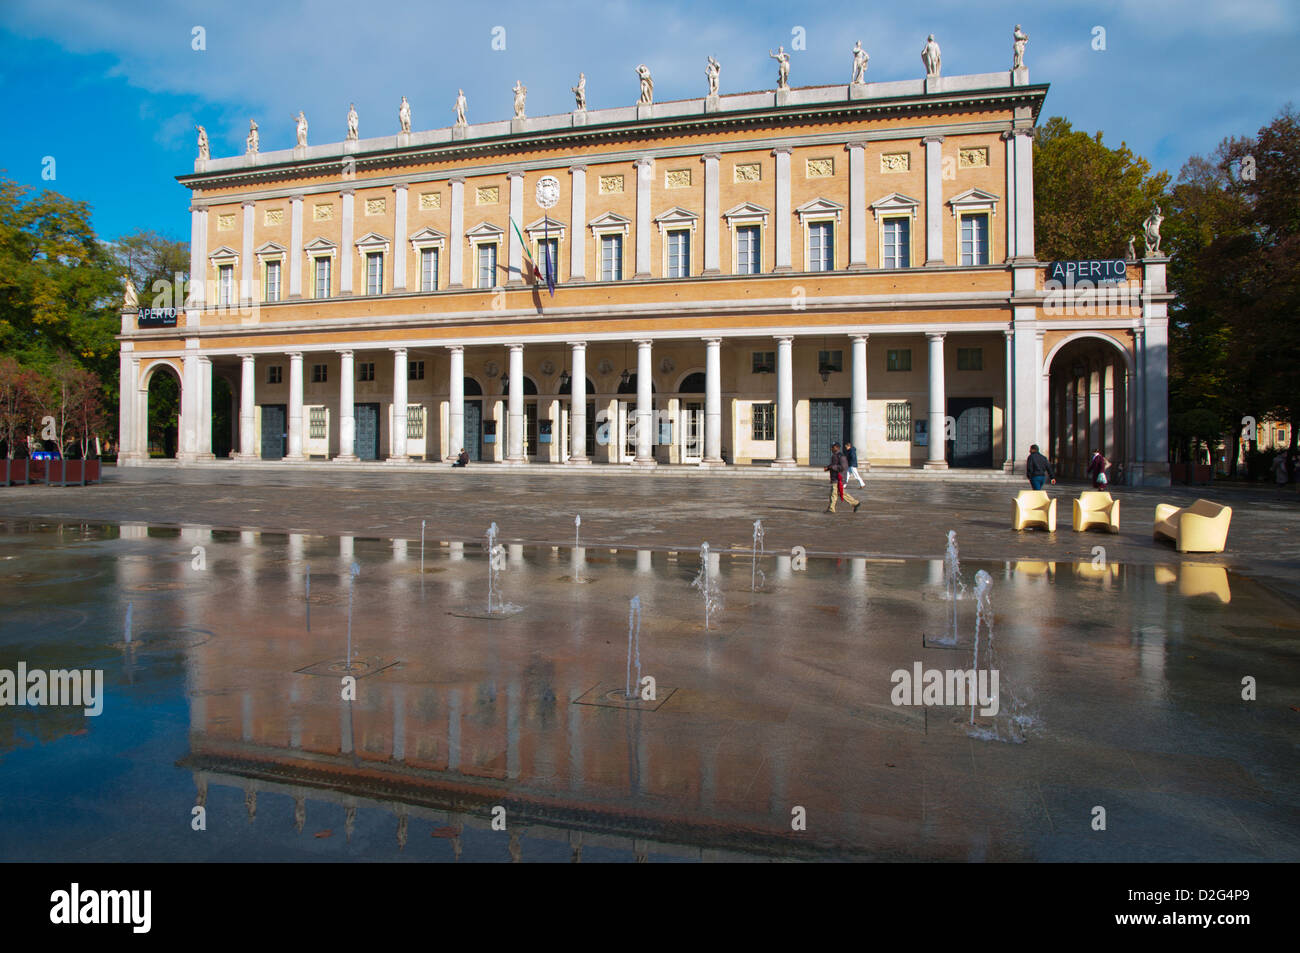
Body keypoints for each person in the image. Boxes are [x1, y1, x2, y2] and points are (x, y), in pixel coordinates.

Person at [824, 442, 860, 514]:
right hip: (835, 477)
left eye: (833, 447)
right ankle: (855, 503)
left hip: (839, 478)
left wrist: (832, 467)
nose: (831, 448)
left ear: (837, 448)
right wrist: (828, 467)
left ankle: (831, 509)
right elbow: (834, 465)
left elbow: (843, 467)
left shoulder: (841, 456)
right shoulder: (835, 456)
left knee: (833, 493)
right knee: (841, 493)